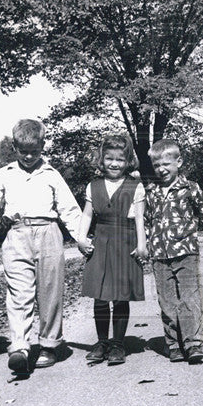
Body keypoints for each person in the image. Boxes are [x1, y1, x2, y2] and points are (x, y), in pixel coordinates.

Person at [0, 119, 82, 376]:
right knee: (18, 292)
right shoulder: (5, 174)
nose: (30, 156)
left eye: (35, 151)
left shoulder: (51, 175)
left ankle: (49, 344)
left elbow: (69, 210)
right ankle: (20, 346)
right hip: (17, 234)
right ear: (14, 147)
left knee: (50, 291)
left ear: (43, 145)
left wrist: (82, 239)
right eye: (24, 151)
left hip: (48, 233)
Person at [144, 138, 203, 365]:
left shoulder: (190, 188)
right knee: (167, 301)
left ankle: (192, 344)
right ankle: (173, 344)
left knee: (190, 298)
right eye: (157, 166)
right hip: (160, 254)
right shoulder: (150, 192)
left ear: (178, 162)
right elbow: (145, 222)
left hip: (186, 252)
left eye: (166, 164)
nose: (161, 170)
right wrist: (141, 246)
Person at [74, 134, 148, 367]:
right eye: (109, 159)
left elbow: (140, 219)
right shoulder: (93, 186)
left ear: (128, 162)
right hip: (101, 242)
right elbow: (87, 214)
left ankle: (118, 343)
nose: (114, 164)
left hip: (125, 243)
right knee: (100, 294)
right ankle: (102, 341)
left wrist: (142, 244)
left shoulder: (135, 186)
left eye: (120, 159)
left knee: (120, 295)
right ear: (102, 160)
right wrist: (81, 238)